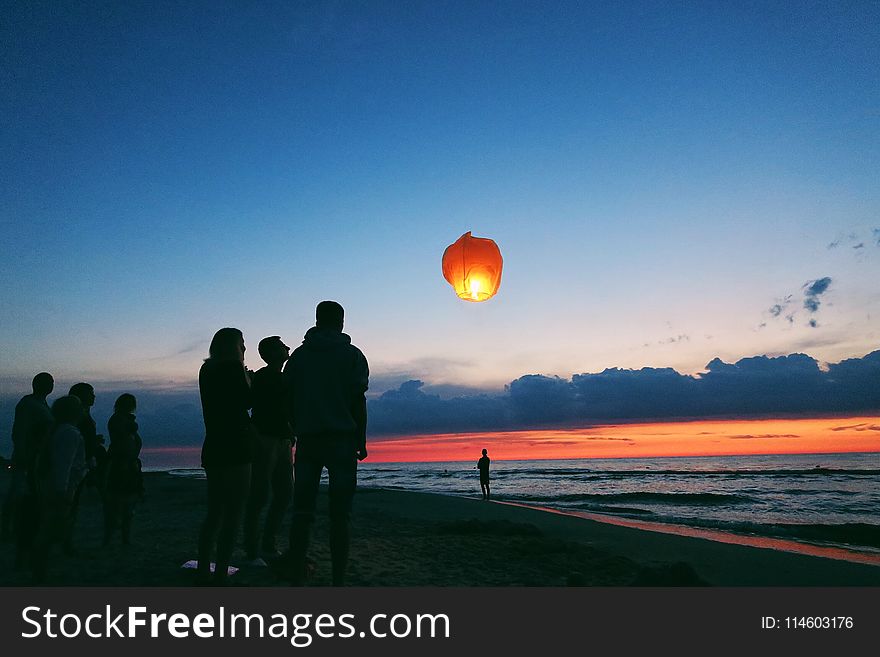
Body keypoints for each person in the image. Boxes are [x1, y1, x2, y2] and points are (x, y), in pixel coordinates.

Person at [283, 301, 369, 586]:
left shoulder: (298, 357)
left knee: (302, 511)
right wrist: (361, 437)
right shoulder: (353, 356)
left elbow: (288, 398)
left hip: (308, 439)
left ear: (318, 321)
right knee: (340, 515)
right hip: (342, 440)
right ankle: (338, 581)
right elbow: (358, 400)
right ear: (341, 322)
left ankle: (296, 573)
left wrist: (295, 426)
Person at [196, 327, 255, 585]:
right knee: (233, 512)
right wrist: (248, 379)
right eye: (242, 343)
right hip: (237, 445)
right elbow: (247, 401)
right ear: (234, 346)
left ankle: (203, 567)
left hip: (214, 444)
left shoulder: (206, 370)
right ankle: (220, 570)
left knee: (214, 511)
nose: (245, 348)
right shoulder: (233, 369)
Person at [243, 336, 294, 563]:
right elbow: (247, 404)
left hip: (283, 439)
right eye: (283, 346)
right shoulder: (263, 377)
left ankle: (267, 544)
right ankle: (253, 549)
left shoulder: (282, 377)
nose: (288, 348)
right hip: (265, 439)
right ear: (273, 352)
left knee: (284, 494)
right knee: (260, 495)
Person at [31, 395, 88, 583]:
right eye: (79, 406)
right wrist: (62, 492)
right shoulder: (69, 433)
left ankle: (39, 569)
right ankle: (39, 572)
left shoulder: (58, 430)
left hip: (51, 486)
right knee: (49, 530)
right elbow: (63, 465)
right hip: (60, 489)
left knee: (48, 528)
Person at [2, 372, 54, 565]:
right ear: (37, 384)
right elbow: (20, 430)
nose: (51, 385)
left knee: (27, 493)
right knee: (18, 493)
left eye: (51, 382)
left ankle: (14, 527)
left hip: (38, 457)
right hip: (28, 457)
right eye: (47, 382)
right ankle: (7, 528)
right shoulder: (28, 404)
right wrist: (22, 453)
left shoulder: (42, 404)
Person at [66, 382, 105, 553]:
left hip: (84, 463)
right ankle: (66, 541)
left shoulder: (83, 414)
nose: (94, 396)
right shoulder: (77, 417)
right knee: (71, 504)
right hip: (77, 465)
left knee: (74, 504)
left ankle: (68, 540)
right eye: (90, 393)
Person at [103, 393, 143, 546]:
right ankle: (111, 538)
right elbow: (121, 440)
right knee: (116, 502)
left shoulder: (124, 420)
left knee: (127, 502)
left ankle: (124, 537)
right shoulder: (118, 420)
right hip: (120, 463)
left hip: (129, 463)